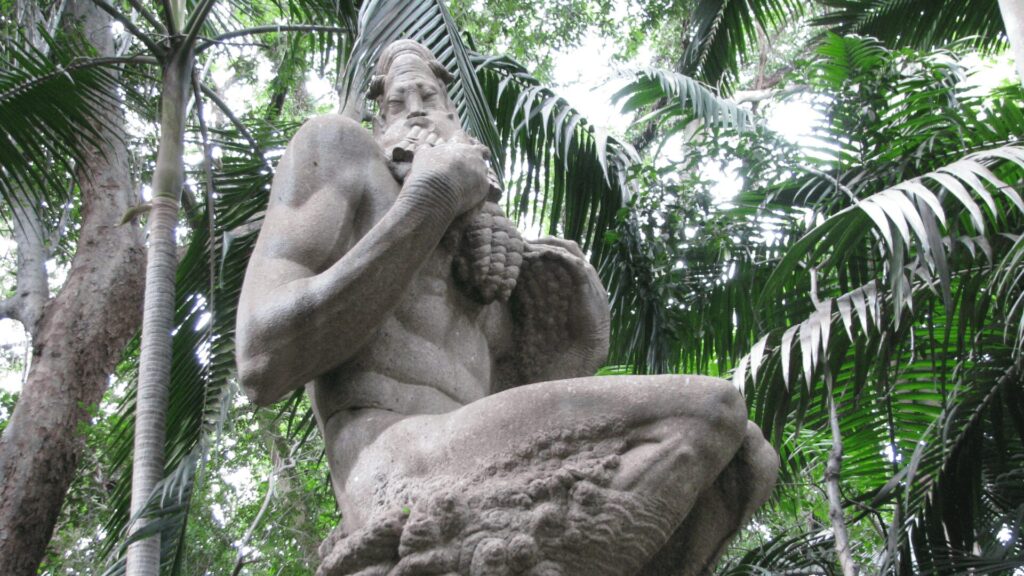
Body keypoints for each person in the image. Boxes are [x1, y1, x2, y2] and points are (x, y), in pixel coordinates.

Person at [236, 40, 777, 576]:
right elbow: (262, 358)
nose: (418, 111)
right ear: (379, 117)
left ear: (453, 114)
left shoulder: (484, 251)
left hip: (475, 449)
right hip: (392, 455)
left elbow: (512, 403)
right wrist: (430, 202)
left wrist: (577, 342)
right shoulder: (339, 151)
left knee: (747, 463)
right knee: (708, 411)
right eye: (399, 103)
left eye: (429, 97)